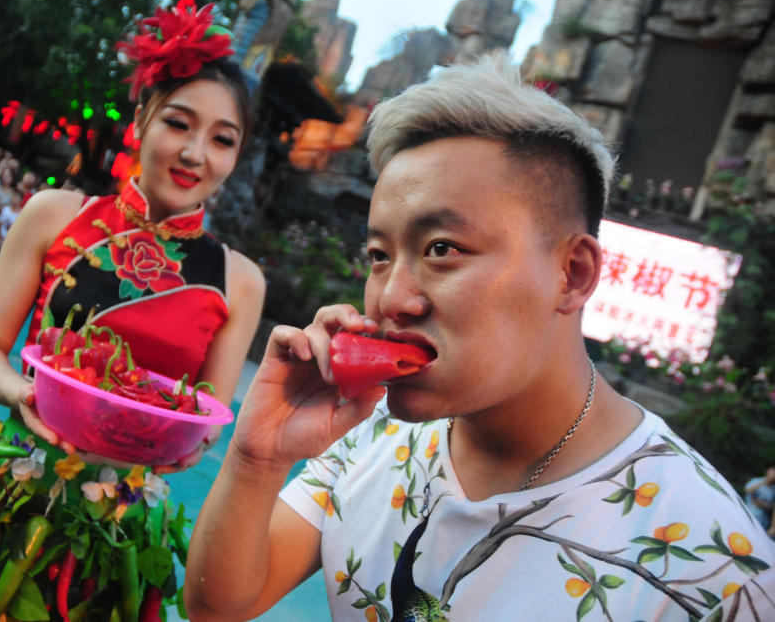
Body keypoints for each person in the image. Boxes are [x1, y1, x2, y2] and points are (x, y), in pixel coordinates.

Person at [184, 54, 775, 621]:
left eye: (442, 249)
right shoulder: (371, 438)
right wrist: (258, 456)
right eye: (378, 255)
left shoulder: (717, 571)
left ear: (573, 274)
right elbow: (221, 604)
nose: (391, 298)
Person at [0, 0, 265, 621]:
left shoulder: (239, 281)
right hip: (6, 488)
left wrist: (183, 444)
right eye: (178, 123)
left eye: (222, 139)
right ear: (141, 118)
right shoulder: (55, 213)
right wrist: (22, 395)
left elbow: (202, 417)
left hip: (116, 529)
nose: (196, 153)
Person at [745, 467, 775, 537]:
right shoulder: (756, 481)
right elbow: (748, 490)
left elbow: (772, 507)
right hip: (748, 517)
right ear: (766, 473)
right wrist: (765, 481)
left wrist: (763, 505)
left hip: (762, 522)